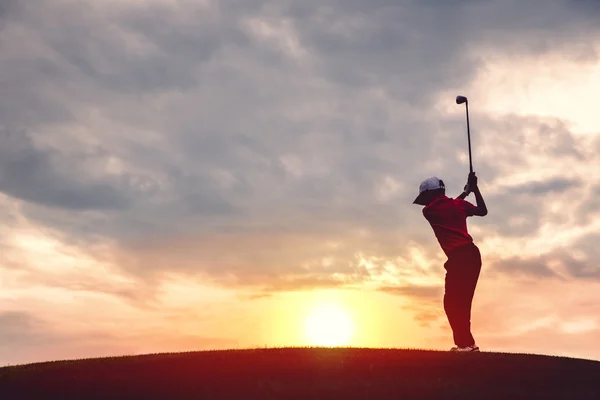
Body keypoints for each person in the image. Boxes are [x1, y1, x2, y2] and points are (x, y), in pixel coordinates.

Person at [413, 172, 488, 352]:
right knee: (460, 301)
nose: (424, 202)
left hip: (460, 257)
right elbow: (482, 211)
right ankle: (467, 344)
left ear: (431, 195)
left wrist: (466, 191)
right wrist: (473, 190)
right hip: (471, 255)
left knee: (455, 302)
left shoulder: (429, 211)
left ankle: (465, 345)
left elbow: (447, 206)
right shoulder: (458, 205)